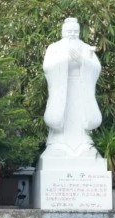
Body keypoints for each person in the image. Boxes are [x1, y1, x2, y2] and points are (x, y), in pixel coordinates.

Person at [42, 17, 102, 158]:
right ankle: (58, 143)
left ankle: (85, 143)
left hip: (81, 87)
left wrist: (81, 60)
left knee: (80, 114)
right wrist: (67, 59)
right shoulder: (54, 48)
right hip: (61, 88)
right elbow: (48, 67)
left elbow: (96, 68)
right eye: (69, 31)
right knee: (62, 114)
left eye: (75, 31)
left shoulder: (86, 48)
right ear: (63, 32)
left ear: (79, 32)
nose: (72, 34)